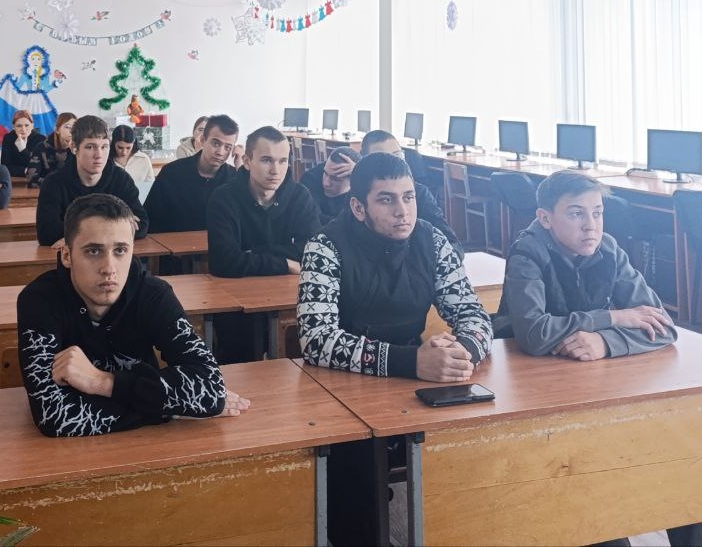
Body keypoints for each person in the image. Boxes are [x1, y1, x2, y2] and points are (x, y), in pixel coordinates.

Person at [494, 170, 702, 547]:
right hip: (537, 397)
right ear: (545, 218)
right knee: (593, 495)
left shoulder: (608, 249)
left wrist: (604, 343)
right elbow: (534, 334)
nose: (590, 226)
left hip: (596, 389)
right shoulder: (528, 253)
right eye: (576, 214)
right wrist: (611, 318)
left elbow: (663, 326)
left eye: (597, 213)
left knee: (685, 472)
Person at [297, 152, 493, 547]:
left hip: (412, 379)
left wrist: (461, 352)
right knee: (359, 502)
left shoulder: (431, 239)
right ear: (359, 207)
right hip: (340, 387)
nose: (402, 211)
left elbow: (474, 313)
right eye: (386, 200)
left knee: (479, 455)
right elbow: (316, 340)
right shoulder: (324, 246)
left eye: (408, 197)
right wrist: (413, 361)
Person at [16, 194, 249, 437]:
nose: (109, 268)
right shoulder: (39, 301)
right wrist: (170, 405)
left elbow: (211, 390)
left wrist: (103, 382)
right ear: (67, 255)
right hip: (73, 453)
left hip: (151, 443)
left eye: (120, 250)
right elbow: (54, 416)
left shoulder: (153, 294)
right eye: (93, 251)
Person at [207, 125, 321, 362]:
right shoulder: (224, 198)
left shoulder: (300, 196)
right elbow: (223, 262)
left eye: (282, 161)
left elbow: (312, 252)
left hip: (287, 296)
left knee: (297, 357)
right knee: (241, 360)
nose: (276, 170)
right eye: (267, 160)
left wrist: (252, 253)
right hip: (236, 301)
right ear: (247, 161)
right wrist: (285, 263)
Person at [37, 115, 149, 247]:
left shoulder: (121, 179)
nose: (99, 155)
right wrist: (118, 224)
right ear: (73, 147)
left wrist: (74, 234)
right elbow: (47, 234)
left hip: (113, 255)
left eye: (104, 147)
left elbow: (142, 224)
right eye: (90, 147)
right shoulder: (53, 183)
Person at [361, 130, 460, 253]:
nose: (393, 164)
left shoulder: (419, 193)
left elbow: (453, 245)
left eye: (398, 156)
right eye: (386, 200)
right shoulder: (358, 196)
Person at [144, 114, 239, 234]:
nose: (220, 152)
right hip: (173, 244)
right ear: (202, 140)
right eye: (215, 143)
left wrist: (242, 168)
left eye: (228, 147)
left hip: (219, 245)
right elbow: (150, 219)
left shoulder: (234, 179)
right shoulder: (172, 173)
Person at [299, 146, 359, 226]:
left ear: (351, 182)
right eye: (325, 173)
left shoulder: (360, 194)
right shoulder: (310, 179)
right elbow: (313, 219)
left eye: (335, 179)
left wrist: (359, 170)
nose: (326, 183)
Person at [30, 111, 76, 185]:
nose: (71, 131)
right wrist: (58, 184)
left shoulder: (78, 149)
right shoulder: (41, 148)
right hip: (47, 189)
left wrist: (73, 153)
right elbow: (31, 178)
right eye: (67, 127)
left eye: (74, 128)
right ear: (57, 130)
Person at [0, 109, 45, 178]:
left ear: (32, 125)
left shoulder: (41, 139)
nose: (23, 129)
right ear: (13, 127)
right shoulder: (8, 138)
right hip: (13, 179)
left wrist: (22, 149)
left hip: (36, 179)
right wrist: (25, 171)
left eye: (27, 125)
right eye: (19, 126)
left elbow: (38, 167)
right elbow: (5, 167)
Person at [110, 124, 155, 192]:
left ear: (134, 144)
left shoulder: (144, 159)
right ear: (113, 143)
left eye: (128, 148)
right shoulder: (106, 160)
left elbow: (150, 187)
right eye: (120, 147)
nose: (124, 152)